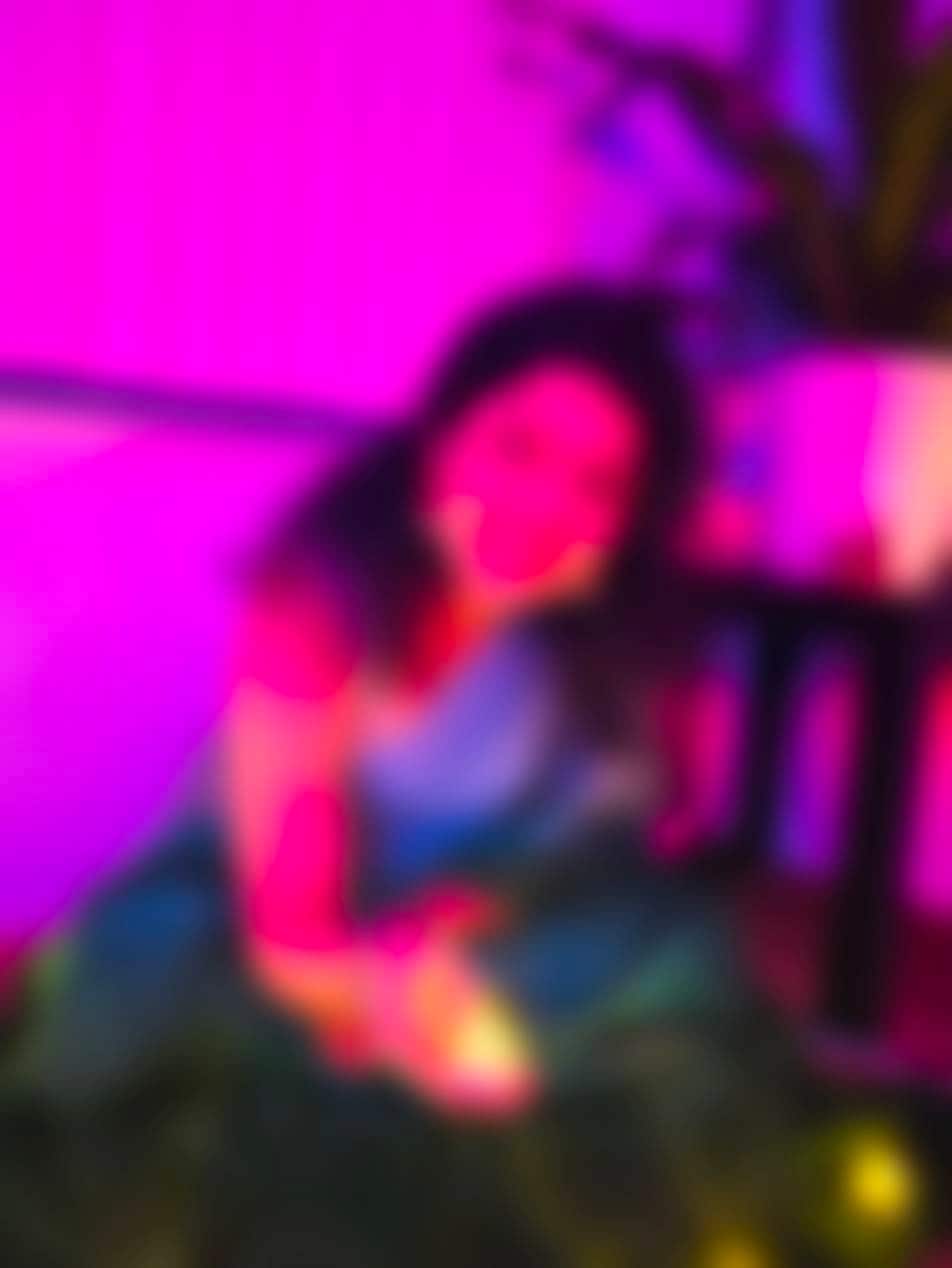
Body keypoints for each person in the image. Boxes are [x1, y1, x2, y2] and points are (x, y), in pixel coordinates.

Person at [0, 285, 925, 1268]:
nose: (544, 505)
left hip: (488, 927)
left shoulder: (604, 634)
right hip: (258, 939)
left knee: (674, 972)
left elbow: (617, 841)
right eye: (517, 448)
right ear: (445, 431)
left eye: (596, 483)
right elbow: (288, 914)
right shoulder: (323, 594)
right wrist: (390, 998)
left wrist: (488, 923)